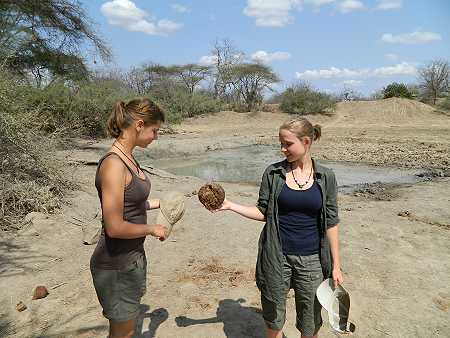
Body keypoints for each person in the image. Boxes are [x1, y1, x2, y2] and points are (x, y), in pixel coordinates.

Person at [213, 117, 343, 338]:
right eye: (281, 143)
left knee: (310, 322)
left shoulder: (326, 177)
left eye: (288, 144)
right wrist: (230, 205)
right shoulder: (273, 174)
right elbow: (263, 211)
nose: (283, 149)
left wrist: (336, 266)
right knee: (273, 319)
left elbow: (331, 222)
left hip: (312, 260)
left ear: (307, 142)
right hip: (276, 257)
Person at [90, 98, 168, 338]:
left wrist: (161, 203)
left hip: (131, 259)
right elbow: (114, 227)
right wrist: (151, 229)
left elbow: (130, 205)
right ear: (139, 125)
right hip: (116, 265)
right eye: (154, 131)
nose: (155, 137)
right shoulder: (114, 164)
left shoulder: (128, 157)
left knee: (125, 329)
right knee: (123, 334)